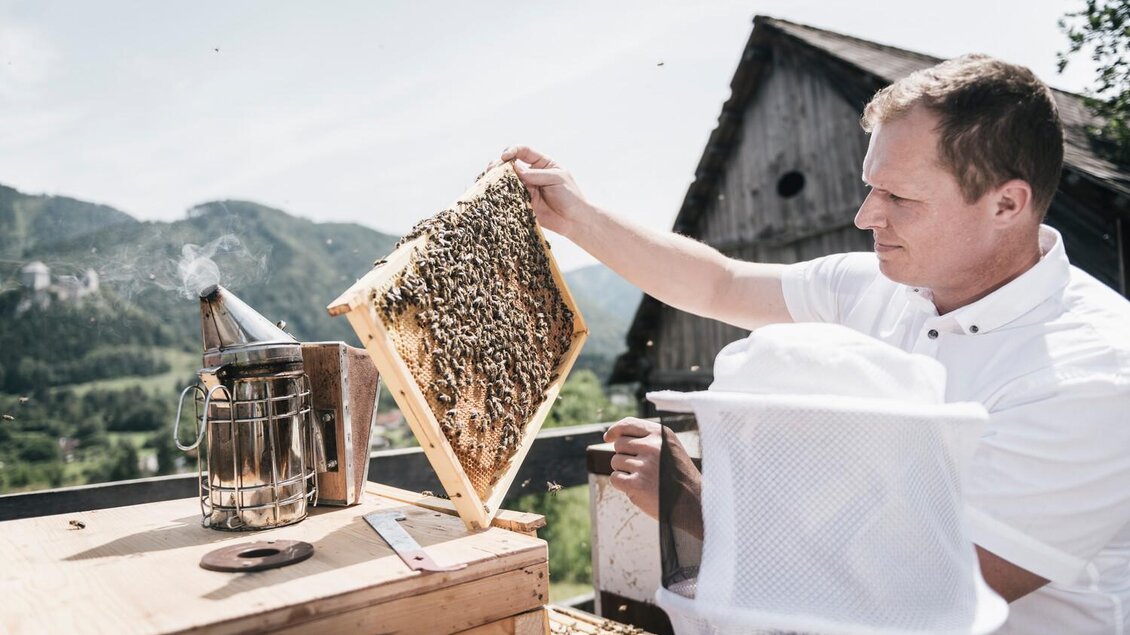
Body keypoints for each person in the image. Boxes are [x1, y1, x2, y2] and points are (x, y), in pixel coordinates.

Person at [500, 54, 1130, 634]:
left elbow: (920, 595)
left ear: (1007, 204)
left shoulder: (1096, 373)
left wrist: (698, 505)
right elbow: (720, 283)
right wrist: (574, 217)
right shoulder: (878, 285)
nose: (865, 216)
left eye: (899, 197)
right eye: (870, 185)